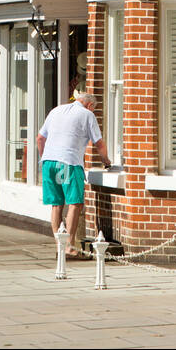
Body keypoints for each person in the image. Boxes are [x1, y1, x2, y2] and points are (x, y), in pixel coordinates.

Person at [36, 91, 110, 259]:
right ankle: (69, 247)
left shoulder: (56, 111)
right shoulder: (87, 115)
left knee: (56, 205)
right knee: (74, 203)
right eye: (94, 109)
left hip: (49, 162)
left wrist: (45, 158)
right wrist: (107, 161)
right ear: (90, 105)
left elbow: (40, 138)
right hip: (68, 163)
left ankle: (60, 247)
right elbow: (99, 143)